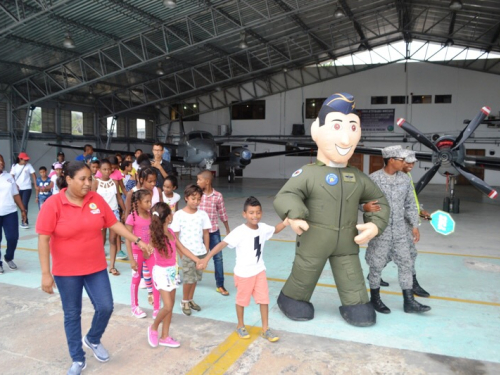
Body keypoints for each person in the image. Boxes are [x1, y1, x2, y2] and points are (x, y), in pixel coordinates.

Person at [273, 93, 390, 326]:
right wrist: (294, 215)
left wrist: (375, 223)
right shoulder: (308, 173)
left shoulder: (357, 177)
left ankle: (356, 304)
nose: (346, 139)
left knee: (352, 276)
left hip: (347, 242)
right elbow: (287, 195)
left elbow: (379, 200)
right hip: (314, 238)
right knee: (305, 272)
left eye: (352, 127)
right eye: (337, 126)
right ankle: (292, 298)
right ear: (317, 130)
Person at [36, 161, 151, 375]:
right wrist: (46, 274)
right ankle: (77, 359)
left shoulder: (95, 199)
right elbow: (43, 240)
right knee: (72, 314)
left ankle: (92, 338)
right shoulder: (53, 204)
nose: (88, 183)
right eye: (83, 179)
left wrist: (137, 239)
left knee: (106, 306)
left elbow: (113, 223)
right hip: (66, 271)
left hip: (95, 267)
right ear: (68, 180)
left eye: (90, 178)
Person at [199, 196, 288, 342]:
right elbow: (222, 244)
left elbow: (276, 230)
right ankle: (240, 325)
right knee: (242, 300)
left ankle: (265, 329)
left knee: (264, 300)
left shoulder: (264, 228)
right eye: (251, 213)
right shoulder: (239, 231)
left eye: (258, 212)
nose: (255, 216)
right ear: (244, 214)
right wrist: (206, 258)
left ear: (261, 213)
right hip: (244, 274)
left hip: (259, 271)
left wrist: (286, 222)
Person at [365, 146, 431, 314]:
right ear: (391, 160)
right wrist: (364, 207)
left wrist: (414, 225)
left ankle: (409, 302)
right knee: (376, 265)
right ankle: (375, 299)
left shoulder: (405, 179)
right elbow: (360, 201)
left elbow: (410, 203)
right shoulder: (373, 179)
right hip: (381, 230)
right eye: (401, 160)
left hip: (401, 230)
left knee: (406, 263)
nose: (405, 163)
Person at [147, 202, 201, 348]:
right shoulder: (155, 236)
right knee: (168, 305)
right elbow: (148, 251)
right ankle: (153, 327)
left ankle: (165, 336)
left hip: (173, 271)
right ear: (168, 217)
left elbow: (182, 248)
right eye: (171, 212)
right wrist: (146, 249)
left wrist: (197, 260)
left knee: (169, 307)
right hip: (161, 273)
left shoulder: (170, 233)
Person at [170, 184, 211, 316]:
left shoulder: (203, 214)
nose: (196, 202)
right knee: (188, 279)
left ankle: (190, 299)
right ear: (186, 198)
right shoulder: (179, 215)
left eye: (199, 199)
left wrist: (206, 250)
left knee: (195, 279)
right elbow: (175, 236)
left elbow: (206, 233)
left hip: (200, 252)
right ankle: (184, 301)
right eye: (193, 198)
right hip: (187, 253)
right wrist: (181, 254)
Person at [125, 189, 160, 318]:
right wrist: (132, 260)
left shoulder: (152, 216)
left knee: (156, 278)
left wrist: (149, 247)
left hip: (150, 251)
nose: (150, 204)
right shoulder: (131, 217)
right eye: (147, 201)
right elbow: (128, 239)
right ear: (138, 203)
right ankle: (134, 307)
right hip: (136, 252)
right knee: (136, 278)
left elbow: (154, 232)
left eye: (150, 201)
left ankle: (157, 307)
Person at [197, 170, 231, 296]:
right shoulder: (197, 196)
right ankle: (192, 279)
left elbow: (222, 213)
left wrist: (227, 229)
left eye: (199, 180)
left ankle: (220, 285)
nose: (197, 182)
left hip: (213, 231)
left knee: (218, 258)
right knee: (194, 255)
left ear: (207, 181)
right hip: (198, 232)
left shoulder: (218, 196)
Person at [403, 150, 431, 297]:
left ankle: (374, 274)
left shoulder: (407, 176)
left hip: (407, 222)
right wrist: (414, 225)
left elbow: (411, 200)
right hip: (399, 224)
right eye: (408, 162)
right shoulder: (396, 179)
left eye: (413, 162)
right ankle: (413, 284)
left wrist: (421, 211)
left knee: (390, 253)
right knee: (409, 254)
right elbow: (401, 205)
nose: (412, 165)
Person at [92, 159, 126, 276]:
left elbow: (119, 198)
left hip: (113, 213)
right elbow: (91, 199)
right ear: (99, 170)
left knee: (113, 240)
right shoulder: (96, 182)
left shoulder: (114, 182)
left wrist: (125, 211)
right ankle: (98, 264)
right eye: (104, 169)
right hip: (100, 213)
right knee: (101, 240)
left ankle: (112, 266)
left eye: (109, 169)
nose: (107, 171)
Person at [0, 154, 27, 274]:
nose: (1, 163)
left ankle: (8, 257)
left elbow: (15, 194)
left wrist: (23, 210)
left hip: (10, 212)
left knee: (13, 238)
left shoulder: (9, 177)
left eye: (2, 161)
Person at [10, 152, 36, 229]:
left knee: (24, 204)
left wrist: (35, 184)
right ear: (20, 159)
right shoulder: (14, 166)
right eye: (25, 160)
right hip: (17, 189)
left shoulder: (29, 166)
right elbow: (12, 176)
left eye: (27, 160)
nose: (26, 161)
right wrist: (14, 185)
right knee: (19, 205)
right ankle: (24, 218)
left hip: (27, 188)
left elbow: (33, 175)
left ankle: (24, 221)